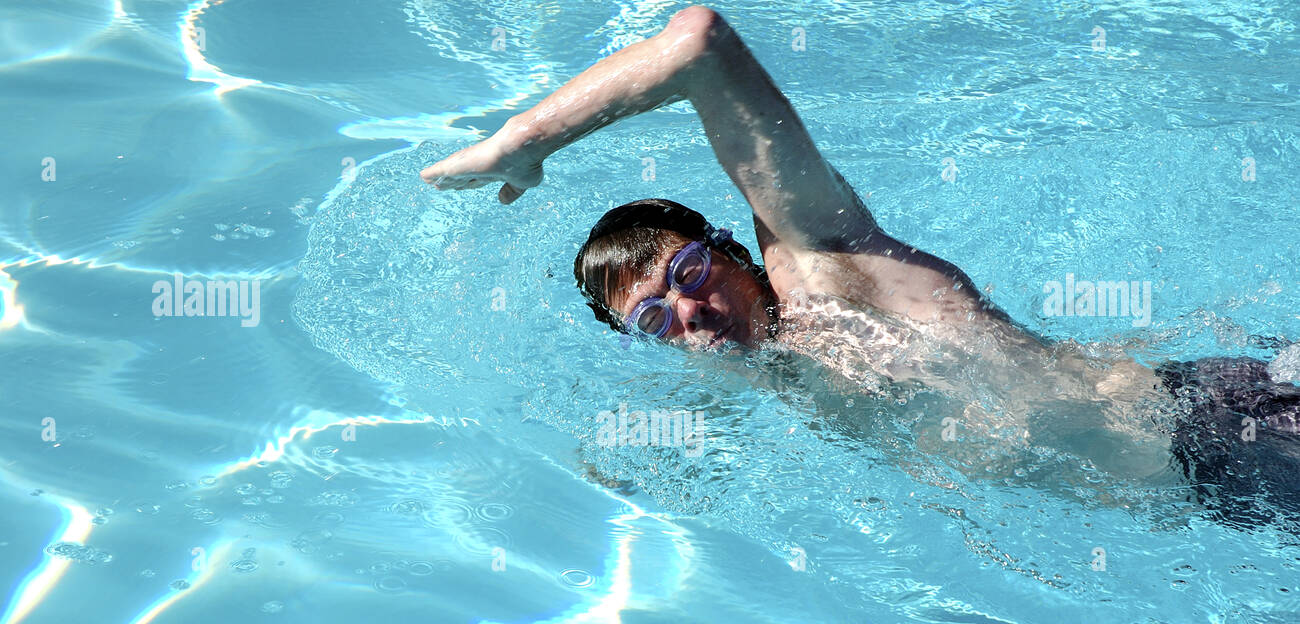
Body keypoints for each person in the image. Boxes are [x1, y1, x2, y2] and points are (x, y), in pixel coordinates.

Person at [421, 6, 1300, 524]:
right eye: (655, 319)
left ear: (728, 248)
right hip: (1215, 489)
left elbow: (698, 44)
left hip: (1226, 432)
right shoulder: (767, 372)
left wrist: (521, 143)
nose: (687, 314)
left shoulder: (825, 270)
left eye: (685, 275)